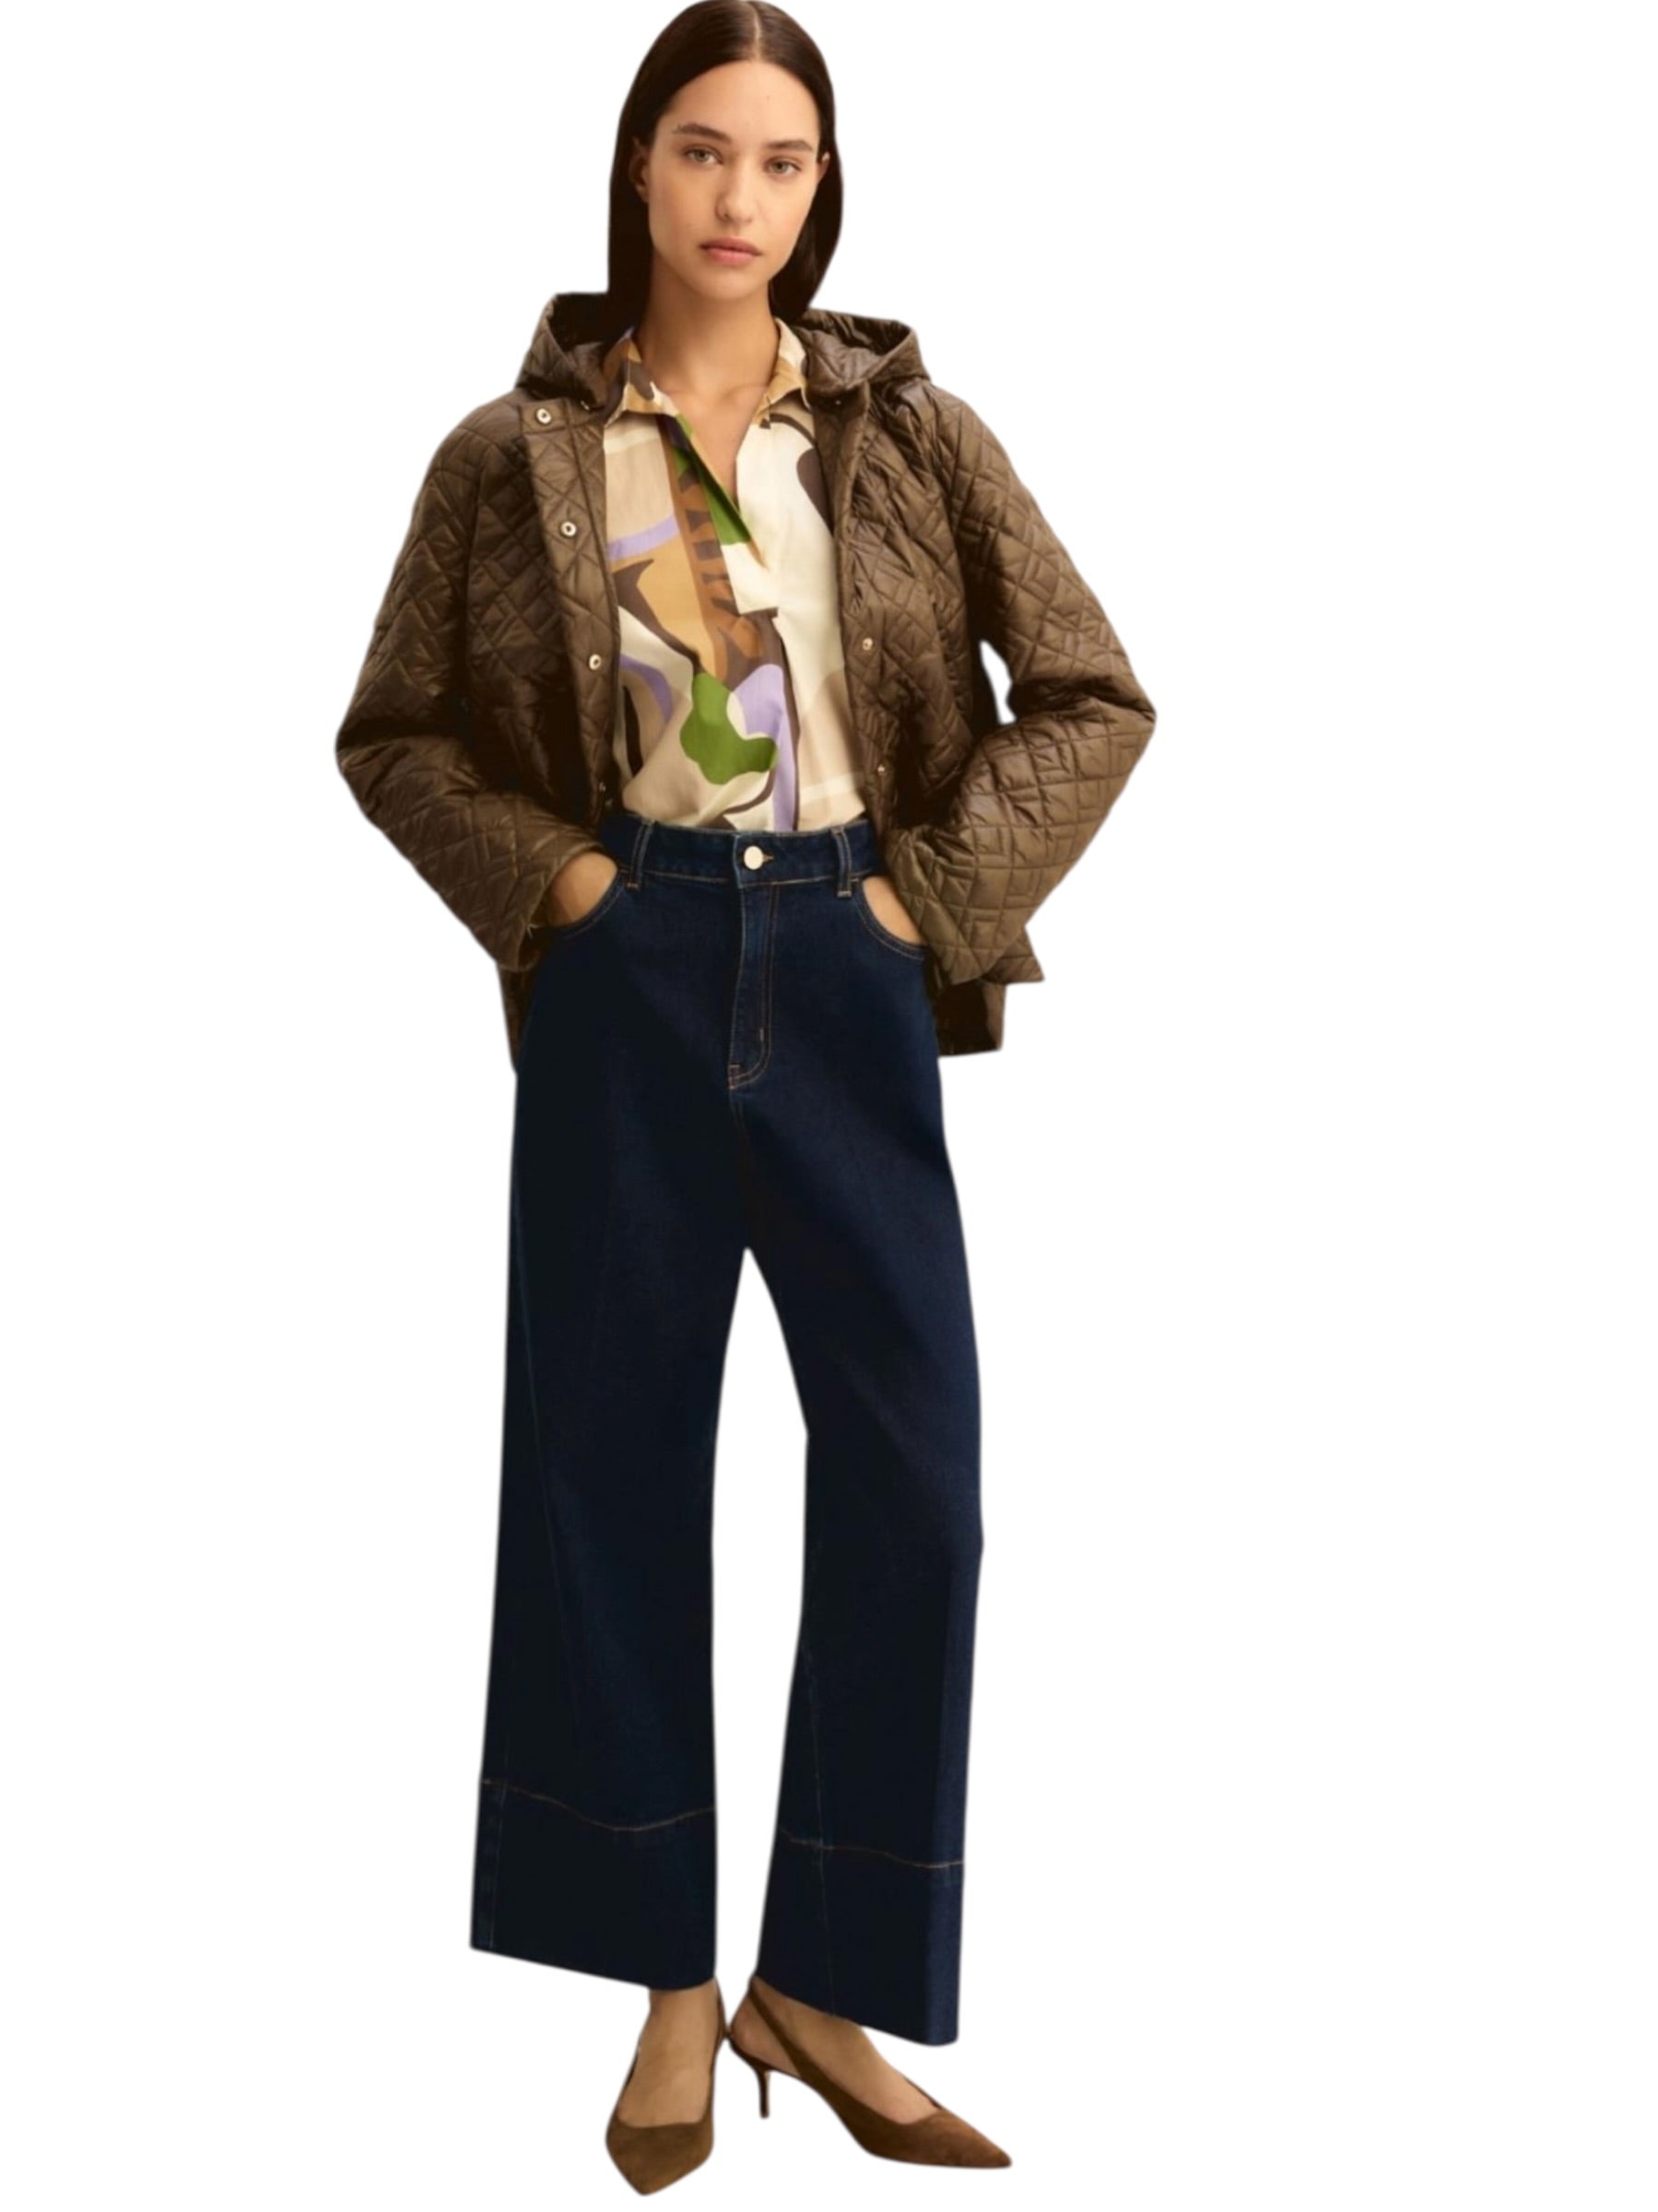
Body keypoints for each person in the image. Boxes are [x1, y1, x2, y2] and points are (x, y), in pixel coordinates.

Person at [334, 0, 1156, 2189]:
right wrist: (567, 888)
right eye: (704, 148)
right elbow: (392, 735)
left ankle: (828, 1980)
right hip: (630, 970)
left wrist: (925, 903)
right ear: (639, 163)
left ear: (822, 186)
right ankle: (670, 1993)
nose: (739, 197)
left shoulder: (911, 436)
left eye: (782, 159)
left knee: (916, 1481)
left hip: (853, 963)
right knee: (606, 1476)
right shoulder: (513, 453)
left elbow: (1092, 692)